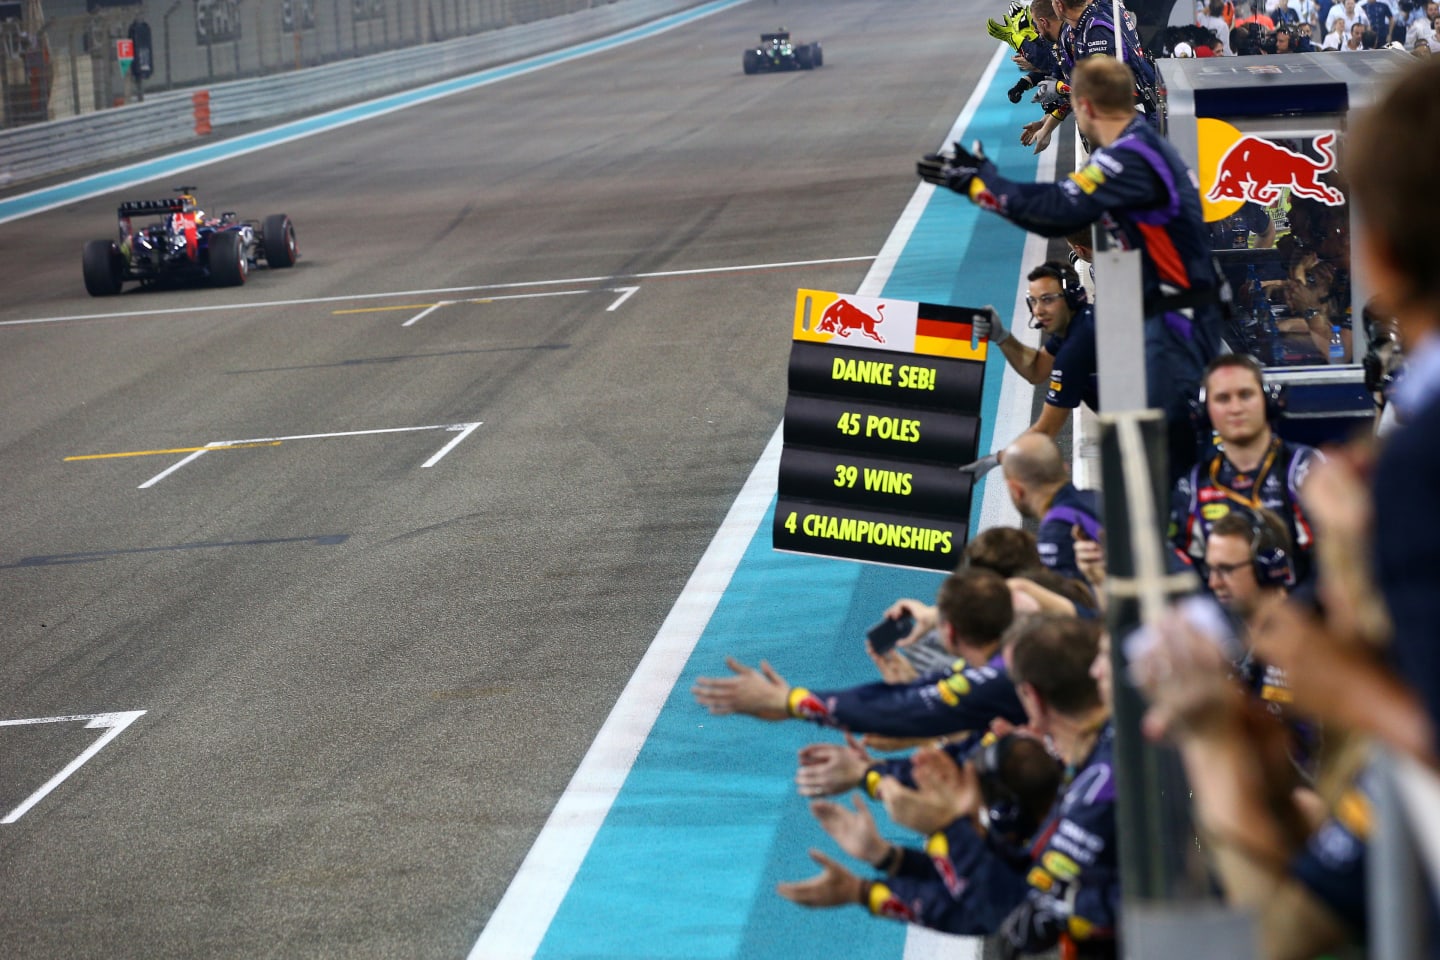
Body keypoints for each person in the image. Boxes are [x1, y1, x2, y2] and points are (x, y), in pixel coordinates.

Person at [919, 56, 1224, 485]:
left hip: (1177, 322)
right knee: (1167, 458)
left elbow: (1057, 209)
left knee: (1173, 464)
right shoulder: (1142, 144)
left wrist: (979, 183)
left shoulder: (1127, 156)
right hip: (1176, 315)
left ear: (1084, 106)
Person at [691, 568, 1027, 740]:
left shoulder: (994, 678)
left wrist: (793, 701)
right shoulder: (1035, 640)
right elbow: (914, 698)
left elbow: (902, 711)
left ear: (948, 631)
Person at [1170, 353, 1322, 587]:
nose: (1235, 408)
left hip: (1305, 616)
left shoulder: (1307, 468)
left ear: (1268, 400)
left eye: (1245, 395)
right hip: (1226, 620)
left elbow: (1336, 564)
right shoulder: (1191, 487)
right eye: (1223, 398)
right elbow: (1185, 575)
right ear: (1204, 410)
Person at [972, 261, 1098, 443]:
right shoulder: (1079, 322)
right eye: (1033, 301)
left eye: (1047, 299)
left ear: (1072, 297)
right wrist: (1002, 337)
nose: (1038, 311)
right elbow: (1038, 370)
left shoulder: (1075, 347)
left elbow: (1045, 432)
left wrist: (997, 458)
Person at [998, 432, 1102, 587]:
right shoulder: (1097, 497)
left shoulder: (1055, 532)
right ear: (1064, 468)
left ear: (1016, 490)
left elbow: (1080, 606)